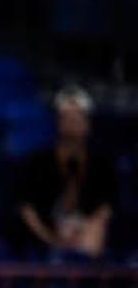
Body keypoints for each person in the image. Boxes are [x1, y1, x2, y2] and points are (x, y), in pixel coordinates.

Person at [15, 87, 112, 262]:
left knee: (96, 229)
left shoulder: (101, 166)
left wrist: (84, 231)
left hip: (87, 237)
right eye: (67, 117)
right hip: (47, 237)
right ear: (58, 122)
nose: (72, 123)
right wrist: (52, 240)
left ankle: (85, 268)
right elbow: (26, 210)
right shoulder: (37, 163)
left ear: (88, 124)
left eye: (78, 117)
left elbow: (105, 209)